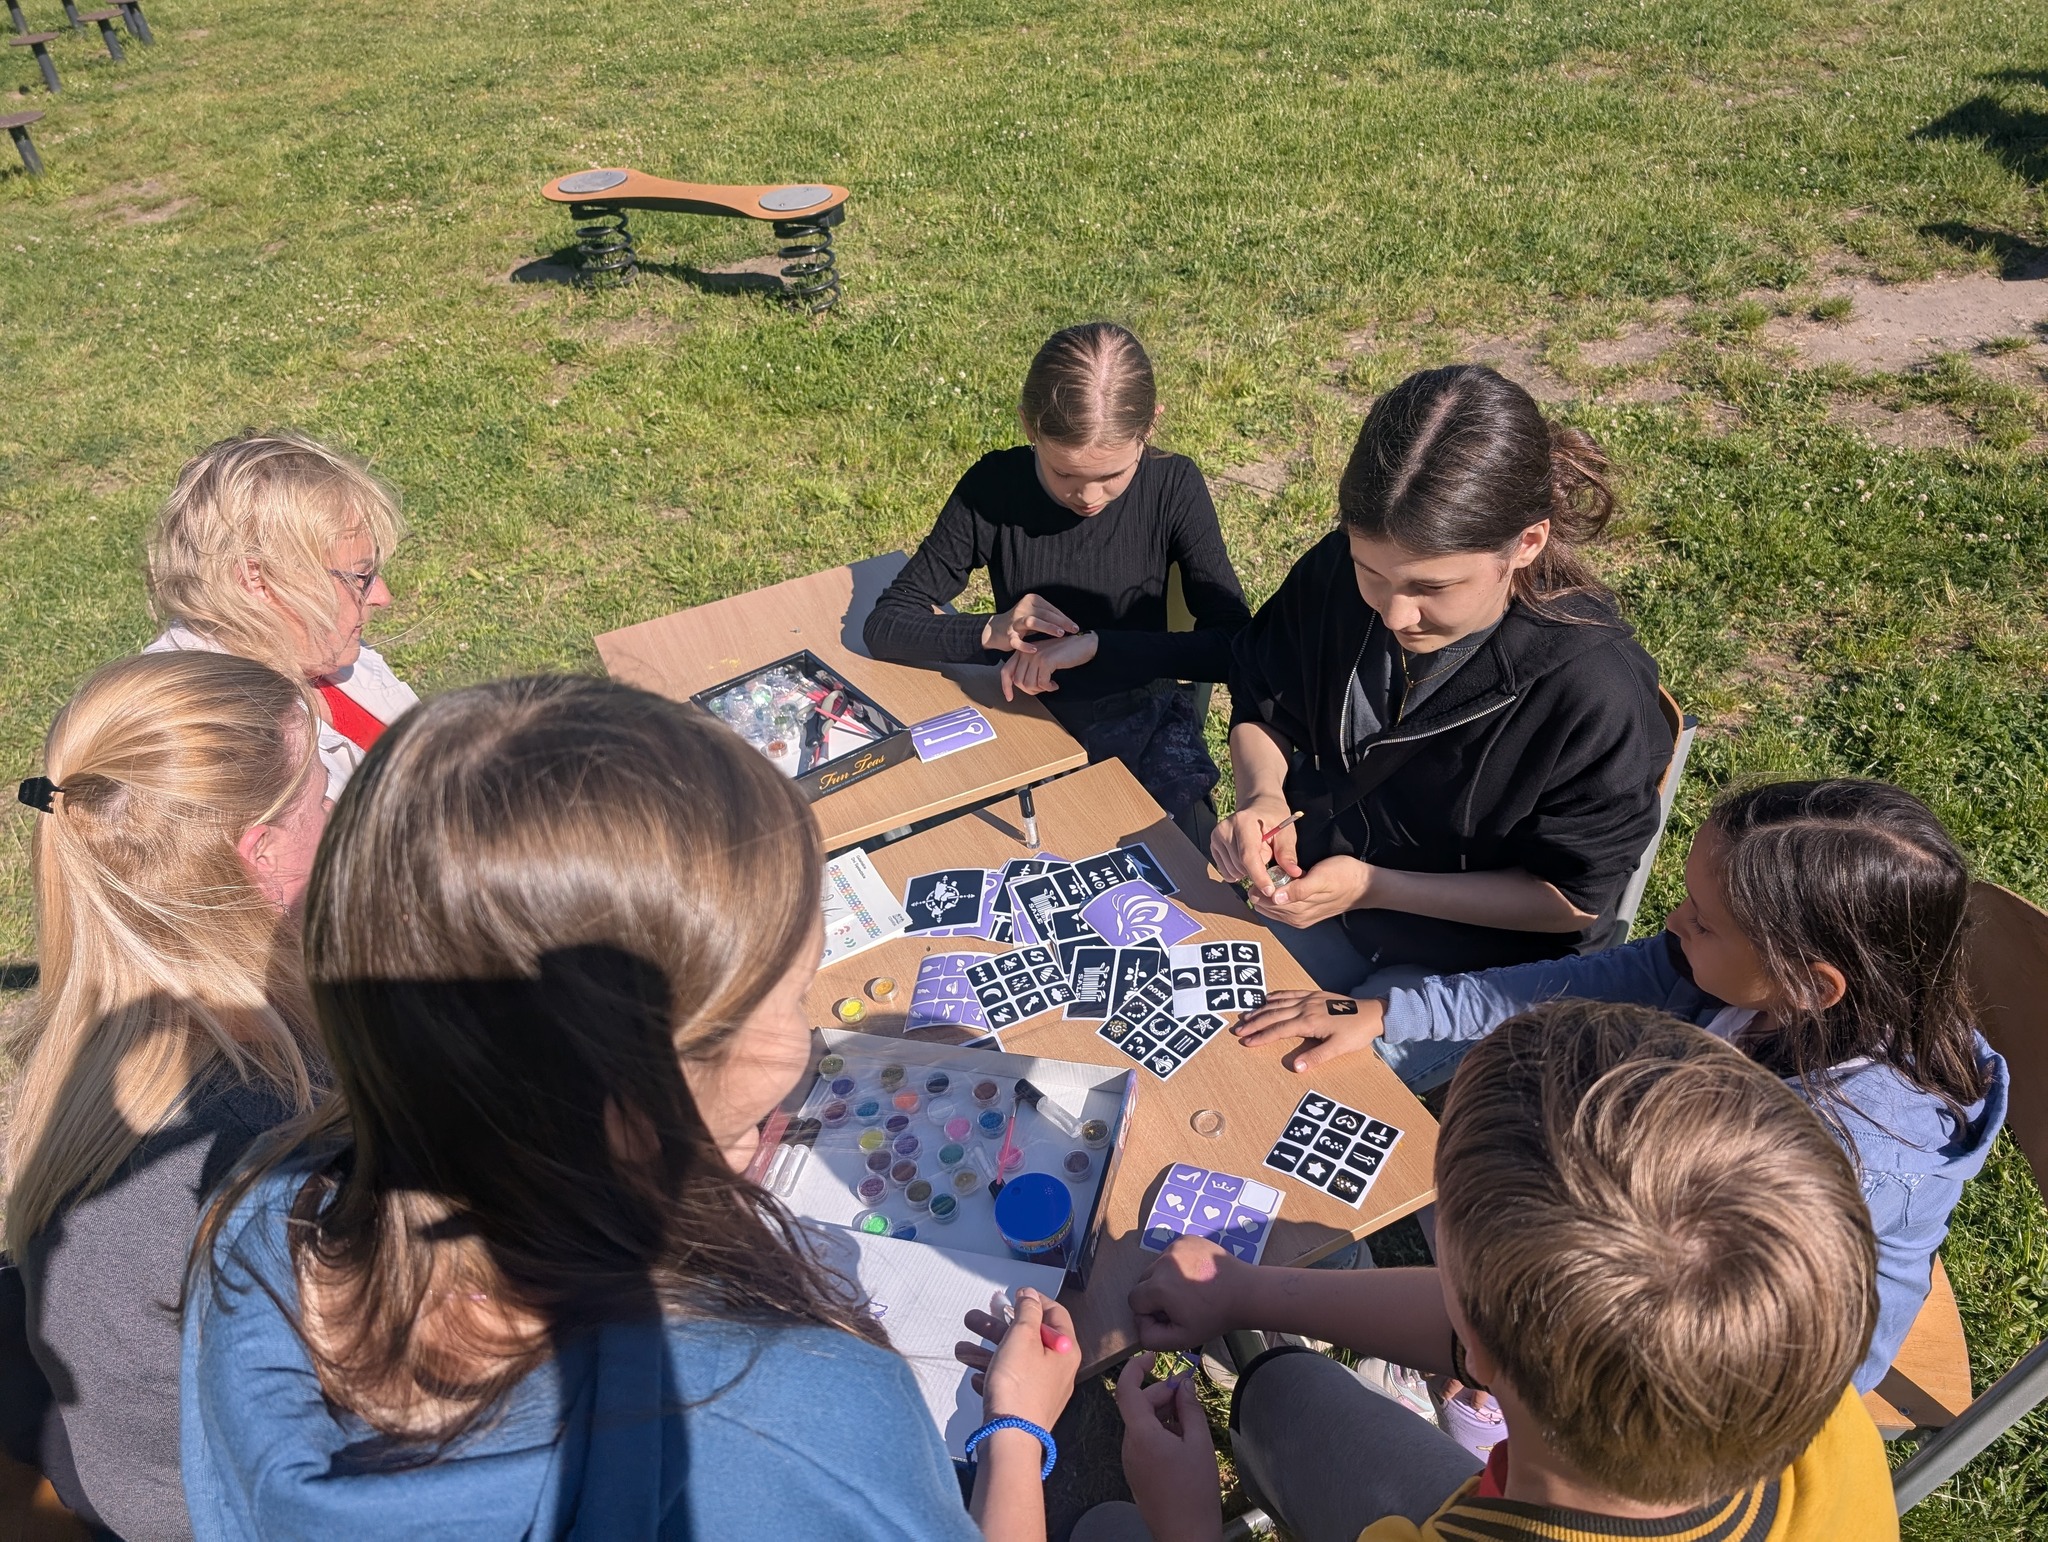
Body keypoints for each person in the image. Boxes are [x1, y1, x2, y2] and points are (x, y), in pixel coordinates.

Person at [181, 676, 1080, 1542]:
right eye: (793, 992)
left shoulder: (263, 1222)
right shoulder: (802, 1422)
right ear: (641, 1097)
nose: (806, 1045)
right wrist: (1016, 1432)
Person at [1235, 778, 2006, 1392]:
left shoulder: (1833, 1160)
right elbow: (1576, 982)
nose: (1672, 922)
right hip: (1652, 1231)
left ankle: (1469, 1385)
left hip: (1739, 1369)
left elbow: (1677, 1321)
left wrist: (1495, 1356)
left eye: (1702, 922)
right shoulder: (1756, 980)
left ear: (1809, 985)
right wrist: (1384, 1010)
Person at [1079, 999, 1897, 1542]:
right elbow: (1487, 1313)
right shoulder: (1795, 1375)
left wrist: (1180, 1517)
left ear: (1479, 1359)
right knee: (1284, 1394)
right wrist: (1246, 1292)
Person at [5, 651, 328, 1542]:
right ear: (259, 858)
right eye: (317, 799)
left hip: (145, 1484)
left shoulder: (97, 1044)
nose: (336, 815)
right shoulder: (266, 1131)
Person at [1214, 364, 1670, 985]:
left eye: (1433, 587)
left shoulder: (1597, 690)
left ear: (1528, 543)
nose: (1395, 612)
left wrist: (1373, 888)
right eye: (1370, 572)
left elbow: (1571, 899)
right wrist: (1262, 795)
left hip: (1477, 969)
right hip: (1320, 903)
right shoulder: (1334, 573)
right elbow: (1263, 699)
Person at [864, 322, 1250, 834]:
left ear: (1149, 428)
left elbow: (1235, 645)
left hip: (1144, 717)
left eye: (1112, 475)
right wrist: (989, 632)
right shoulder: (994, 489)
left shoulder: (1173, 485)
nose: (1089, 497)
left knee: (1188, 863)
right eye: (1064, 474)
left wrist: (1097, 646)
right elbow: (887, 623)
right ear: (1029, 427)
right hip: (1020, 718)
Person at [145, 429, 417, 799]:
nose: (382, 596)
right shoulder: (213, 753)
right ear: (258, 581)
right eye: (360, 576)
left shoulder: (313, 650)